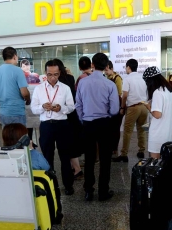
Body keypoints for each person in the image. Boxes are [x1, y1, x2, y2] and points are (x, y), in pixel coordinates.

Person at [75, 53, 119, 202]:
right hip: (104, 123)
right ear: (107, 66)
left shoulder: (82, 83)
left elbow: (78, 105)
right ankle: (103, 192)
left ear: (92, 65)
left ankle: (88, 190)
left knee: (89, 158)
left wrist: (84, 120)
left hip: (87, 123)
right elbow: (114, 110)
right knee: (105, 159)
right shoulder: (110, 84)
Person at [31, 60, 75, 195]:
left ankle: (68, 185)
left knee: (65, 157)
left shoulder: (65, 88)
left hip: (62, 125)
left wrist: (61, 108)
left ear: (59, 73)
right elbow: (33, 108)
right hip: (46, 126)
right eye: (50, 74)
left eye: (55, 74)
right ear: (45, 73)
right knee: (47, 157)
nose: (53, 77)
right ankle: (50, 185)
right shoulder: (39, 89)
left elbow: (72, 107)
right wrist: (42, 107)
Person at [113, 59, 148, 162]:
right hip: (144, 107)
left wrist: (122, 107)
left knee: (127, 131)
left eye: (126, 67)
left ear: (128, 67)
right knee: (141, 130)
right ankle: (141, 150)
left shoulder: (127, 79)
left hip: (133, 108)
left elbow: (124, 96)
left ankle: (124, 154)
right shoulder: (143, 78)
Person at [53, 59, 82, 179]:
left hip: (63, 116)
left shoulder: (58, 82)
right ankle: (75, 168)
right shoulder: (70, 78)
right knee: (71, 144)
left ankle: (77, 170)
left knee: (67, 145)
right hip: (72, 115)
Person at [142, 66, 172, 159]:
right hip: (168, 133)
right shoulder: (169, 90)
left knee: (156, 164)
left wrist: (148, 106)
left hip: (158, 134)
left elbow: (157, 114)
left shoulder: (157, 92)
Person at [0, 47, 30, 127]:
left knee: (8, 138)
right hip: (17, 112)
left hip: (3, 113)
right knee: (20, 138)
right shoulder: (18, 71)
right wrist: (28, 100)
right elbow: (25, 93)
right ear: (15, 56)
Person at [104, 61, 124, 158]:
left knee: (115, 128)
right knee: (110, 128)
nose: (105, 72)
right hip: (109, 106)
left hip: (117, 105)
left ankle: (114, 148)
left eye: (106, 70)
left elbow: (119, 93)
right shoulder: (107, 78)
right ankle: (110, 147)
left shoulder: (117, 78)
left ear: (110, 67)